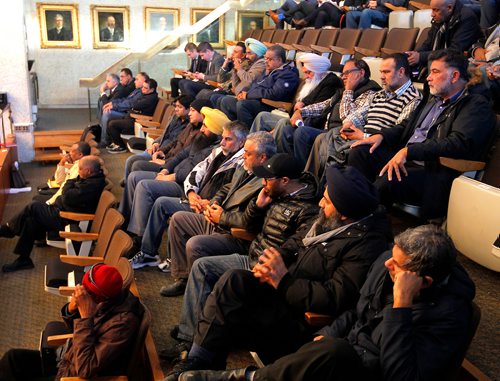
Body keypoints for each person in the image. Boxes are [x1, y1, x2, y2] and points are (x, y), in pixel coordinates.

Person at [165, 165, 392, 380]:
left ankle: (200, 370)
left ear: (344, 213)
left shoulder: (367, 245)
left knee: (226, 312)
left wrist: (283, 280)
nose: (321, 204)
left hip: (301, 320)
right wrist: (272, 261)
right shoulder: (327, 221)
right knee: (234, 280)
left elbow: (334, 297)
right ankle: (196, 362)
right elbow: (294, 243)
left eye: (327, 201)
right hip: (284, 295)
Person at [179, 225, 475, 381]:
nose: (387, 265)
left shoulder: (450, 316)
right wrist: (328, 334)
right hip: (332, 349)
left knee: (335, 352)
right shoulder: (386, 264)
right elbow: (355, 312)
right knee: (237, 282)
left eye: (397, 265)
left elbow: (402, 376)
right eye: (391, 257)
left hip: (365, 370)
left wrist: (402, 305)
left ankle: (237, 379)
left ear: (425, 282)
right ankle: (198, 362)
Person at [161, 154, 319, 357]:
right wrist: (257, 206)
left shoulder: (308, 210)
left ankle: (194, 344)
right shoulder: (273, 193)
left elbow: (293, 248)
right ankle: (188, 337)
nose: (263, 182)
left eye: (268, 179)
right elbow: (249, 223)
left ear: (285, 181)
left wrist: (269, 263)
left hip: (268, 270)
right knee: (202, 266)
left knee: (204, 259)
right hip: (251, 255)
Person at [349, 50, 496, 219]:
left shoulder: (475, 104)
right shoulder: (433, 98)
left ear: (454, 76)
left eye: (435, 72)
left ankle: (362, 225)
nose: (428, 77)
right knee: (360, 153)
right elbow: (406, 126)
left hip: (433, 170)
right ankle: (352, 210)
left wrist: (409, 152)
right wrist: (381, 136)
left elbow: (458, 143)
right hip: (408, 159)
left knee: (387, 180)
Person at [160, 132, 276, 297]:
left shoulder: (267, 183)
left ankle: (200, 295)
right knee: (178, 219)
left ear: (263, 157)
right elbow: (227, 188)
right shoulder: (247, 168)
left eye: (248, 153)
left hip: (236, 235)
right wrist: (214, 203)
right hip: (220, 221)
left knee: (195, 244)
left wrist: (221, 217)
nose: (243, 156)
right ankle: (184, 278)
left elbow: (250, 222)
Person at [129, 121, 248, 269]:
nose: (222, 142)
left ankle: (168, 259)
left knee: (163, 204)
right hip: (196, 200)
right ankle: (148, 253)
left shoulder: (243, 162)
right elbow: (196, 172)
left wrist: (210, 203)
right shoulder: (217, 151)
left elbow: (231, 193)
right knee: (161, 203)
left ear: (242, 142)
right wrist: (191, 193)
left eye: (228, 139)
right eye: (223, 138)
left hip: (212, 210)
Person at [0, 263, 142, 380]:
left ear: (100, 298)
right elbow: (74, 331)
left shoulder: (122, 324)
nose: (83, 294)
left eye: (87, 292)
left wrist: (85, 318)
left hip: (71, 376)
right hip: (65, 360)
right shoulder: (107, 302)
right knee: (12, 359)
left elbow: (85, 369)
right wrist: (72, 309)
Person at [307, 53, 421, 180]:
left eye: (386, 72)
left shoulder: (414, 98)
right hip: (362, 137)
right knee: (325, 137)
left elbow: (399, 132)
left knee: (352, 149)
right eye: (381, 72)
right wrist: (348, 124)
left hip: (382, 145)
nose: (382, 77)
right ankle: (313, 183)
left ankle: (334, 191)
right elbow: (359, 114)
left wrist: (364, 136)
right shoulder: (379, 95)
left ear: (401, 72)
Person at [119, 107, 229, 230]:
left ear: (216, 132)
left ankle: (137, 233)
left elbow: (192, 172)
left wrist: (168, 177)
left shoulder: (213, 150)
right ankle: (124, 216)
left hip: (182, 184)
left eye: (206, 126)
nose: (202, 129)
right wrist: (165, 169)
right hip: (173, 173)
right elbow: (181, 155)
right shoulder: (201, 139)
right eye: (203, 125)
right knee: (134, 177)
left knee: (144, 185)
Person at [0, 156, 106, 272]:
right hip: (64, 211)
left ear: (88, 171)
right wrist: (71, 184)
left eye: (80, 169)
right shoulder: (92, 178)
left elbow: (67, 197)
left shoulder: (92, 185)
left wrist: (70, 180)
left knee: (33, 206)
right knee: (31, 220)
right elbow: (68, 194)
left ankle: (8, 229)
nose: (78, 171)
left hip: (69, 219)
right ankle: (23, 259)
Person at [250, 52, 343, 167]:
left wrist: (302, 105)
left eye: (309, 72)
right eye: (305, 73)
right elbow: (294, 106)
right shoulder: (307, 82)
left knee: (283, 124)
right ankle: (252, 151)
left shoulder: (330, 83)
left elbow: (319, 107)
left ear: (318, 70)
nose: (306, 76)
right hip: (296, 117)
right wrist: (299, 107)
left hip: (312, 123)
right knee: (262, 116)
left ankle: (275, 162)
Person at [304, 59, 381, 179]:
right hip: (328, 130)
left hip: (342, 135)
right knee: (288, 126)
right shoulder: (342, 91)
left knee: (304, 134)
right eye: (343, 74)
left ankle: (311, 180)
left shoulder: (370, 93)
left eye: (347, 73)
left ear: (361, 73)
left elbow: (347, 118)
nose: (343, 77)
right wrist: (301, 111)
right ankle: (302, 176)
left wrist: (349, 91)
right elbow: (325, 105)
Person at [220, 45, 300, 128]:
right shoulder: (271, 70)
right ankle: (233, 132)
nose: (266, 61)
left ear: (279, 60)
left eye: (269, 59)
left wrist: (248, 95)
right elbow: (255, 83)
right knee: (226, 101)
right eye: (266, 58)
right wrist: (244, 91)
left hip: (271, 106)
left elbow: (274, 93)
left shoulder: (288, 74)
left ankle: (245, 135)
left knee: (243, 105)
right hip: (257, 100)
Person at [123, 95, 193, 179]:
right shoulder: (175, 117)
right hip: (158, 149)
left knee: (135, 163)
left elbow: (176, 143)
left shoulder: (189, 126)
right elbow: (165, 134)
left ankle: (129, 181)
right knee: (130, 160)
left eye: (180, 107)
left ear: (189, 109)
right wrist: (156, 143)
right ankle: (127, 181)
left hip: (166, 155)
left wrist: (162, 154)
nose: (176, 109)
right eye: (176, 106)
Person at [406, 0, 481, 68]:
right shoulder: (442, 16)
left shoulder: (467, 18)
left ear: (449, 8)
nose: (432, 14)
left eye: (436, 10)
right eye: (432, 9)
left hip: (457, 64)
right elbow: (428, 43)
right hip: (440, 61)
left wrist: (421, 57)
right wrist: (415, 54)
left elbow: (455, 51)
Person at [209, 38, 267, 109]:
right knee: (214, 97)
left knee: (221, 99)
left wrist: (238, 68)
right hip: (236, 93)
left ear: (257, 54)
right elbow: (223, 81)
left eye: (249, 53)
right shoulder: (250, 63)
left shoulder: (261, 63)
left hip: (246, 97)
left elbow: (249, 80)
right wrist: (234, 68)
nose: (246, 56)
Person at [106, 78, 160, 153]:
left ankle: (121, 146)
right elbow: (134, 103)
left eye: (145, 88)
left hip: (139, 122)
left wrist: (134, 106)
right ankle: (116, 143)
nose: (142, 89)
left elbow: (135, 105)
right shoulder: (145, 94)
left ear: (152, 89)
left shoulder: (150, 98)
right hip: (133, 117)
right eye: (143, 87)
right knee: (110, 120)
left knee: (112, 124)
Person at [99, 72, 149, 147]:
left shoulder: (141, 93)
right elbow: (125, 100)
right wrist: (112, 104)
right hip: (126, 112)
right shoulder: (137, 90)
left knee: (107, 113)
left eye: (137, 79)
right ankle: (105, 137)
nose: (134, 81)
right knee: (106, 109)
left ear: (144, 81)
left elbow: (129, 105)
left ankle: (104, 140)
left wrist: (114, 106)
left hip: (129, 114)